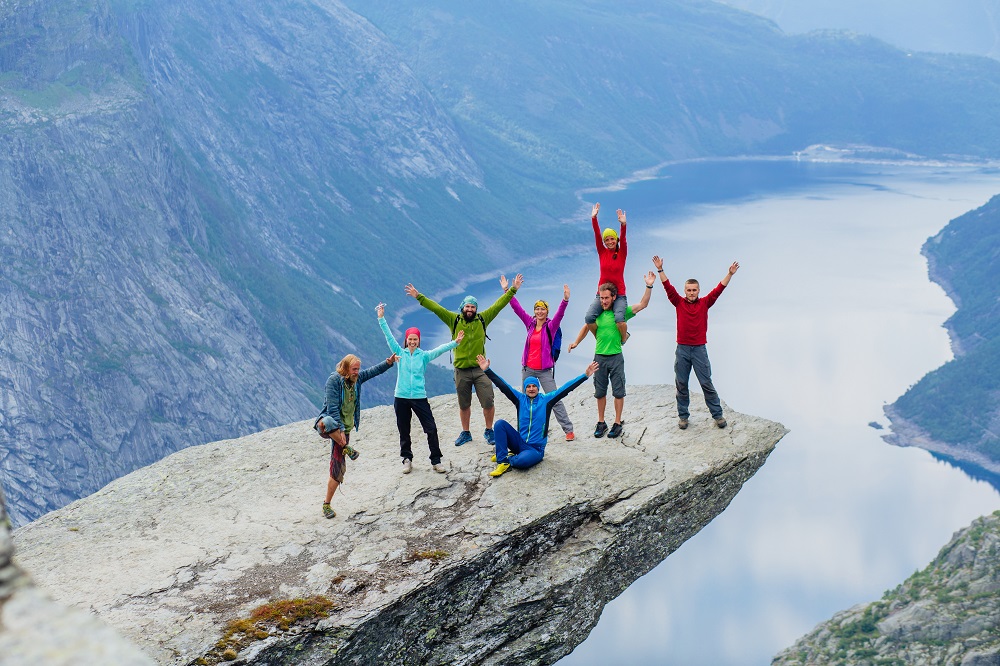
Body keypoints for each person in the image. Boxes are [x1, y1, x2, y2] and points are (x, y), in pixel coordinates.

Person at [404, 275, 522, 447]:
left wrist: (513, 289)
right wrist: (418, 296)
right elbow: (436, 308)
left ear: (476, 309)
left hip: (481, 369)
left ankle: (489, 431)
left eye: (473, 307)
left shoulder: (483, 319)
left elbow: (499, 305)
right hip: (461, 370)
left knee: (488, 400)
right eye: (467, 306)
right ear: (462, 308)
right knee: (464, 404)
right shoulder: (454, 319)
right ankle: (466, 433)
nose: (470, 309)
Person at [653, 254, 740, 430]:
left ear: (698, 291)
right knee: (681, 383)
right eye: (689, 290)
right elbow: (667, 286)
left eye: (694, 290)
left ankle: (718, 415)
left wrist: (729, 274)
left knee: (706, 382)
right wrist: (660, 269)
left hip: (699, 349)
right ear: (685, 291)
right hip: (683, 349)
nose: (691, 293)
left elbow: (719, 289)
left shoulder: (705, 303)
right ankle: (683, 417)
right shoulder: (678, 302)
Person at [475, 354, 599, 477]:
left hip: (535, 449)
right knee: (499, 424)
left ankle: (510, 458)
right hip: (519, 442)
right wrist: (487, 370)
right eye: (528, 386)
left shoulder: (546, 401)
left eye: (534, 386)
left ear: (538, 388)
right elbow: (503, 385)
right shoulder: (520, 399)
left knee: (521, 462)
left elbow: (565, 389)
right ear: (525, 388)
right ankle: (503, 461)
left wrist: (585, 375)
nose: (531, 389)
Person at [377, 302, 464, 475]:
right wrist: (381, 318)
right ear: (406, 340)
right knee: (404, 429)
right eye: (410, 339)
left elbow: (439, 350)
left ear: (419, 341)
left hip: (418, 396)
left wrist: (455, 343)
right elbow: (389, 337)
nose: (412, 342)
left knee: (430, 427)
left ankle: (436, 460)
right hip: (401, 396)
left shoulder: (423, 356)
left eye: (415, 339)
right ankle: (407, 459)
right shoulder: (398, 352)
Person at [568, 271, 656, 439]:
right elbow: (586, 326)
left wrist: (649, 285)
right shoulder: (598, 314)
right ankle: (601, 422)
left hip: (616, 357)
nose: (604, 301)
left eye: (607, 298)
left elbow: (643, 304)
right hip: (599, 357)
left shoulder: (621, 314)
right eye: (601, 298)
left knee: (618, 391)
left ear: (614, 297)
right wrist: (576, 342)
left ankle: (617, 423)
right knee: (599, 392)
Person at [314, 352, 395, 519]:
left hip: (345, 430)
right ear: (345, 368)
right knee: (329, 421)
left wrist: (388, 363)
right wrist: (341, 429)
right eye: (354, 369)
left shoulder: (356, 380)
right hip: (328, 426)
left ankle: (326, 504)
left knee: (338, 469)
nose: (357, 372)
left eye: (358, 369)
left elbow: (372, 372)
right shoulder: (334, 381)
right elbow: (332, 408)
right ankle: (346, 448)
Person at [503, 276, 575, 441]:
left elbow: (560, 315)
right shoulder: (529, 323)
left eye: (542, 309)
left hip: (544, 371)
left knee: (555, 399)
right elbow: (516, 308)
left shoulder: (551, 326)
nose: (539, 312)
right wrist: (508, 290)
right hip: (527, 369)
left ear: (547, 311)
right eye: (537, 309)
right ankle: (524, 432)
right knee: (524, 402)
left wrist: (565, 300)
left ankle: (568, 430)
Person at [583, 202, 629, 344]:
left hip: (619, 294)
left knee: (619, 320)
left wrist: (623, 225)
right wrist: (594, 218)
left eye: (612, 239)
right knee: (589, 318)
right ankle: (600, 337)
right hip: (602, 294)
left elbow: (624, 239)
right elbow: (597, 235)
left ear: (616, 240)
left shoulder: (622, 253)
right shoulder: (602, 252)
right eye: (607, 239)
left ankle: (623, 338)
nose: (609, 242)